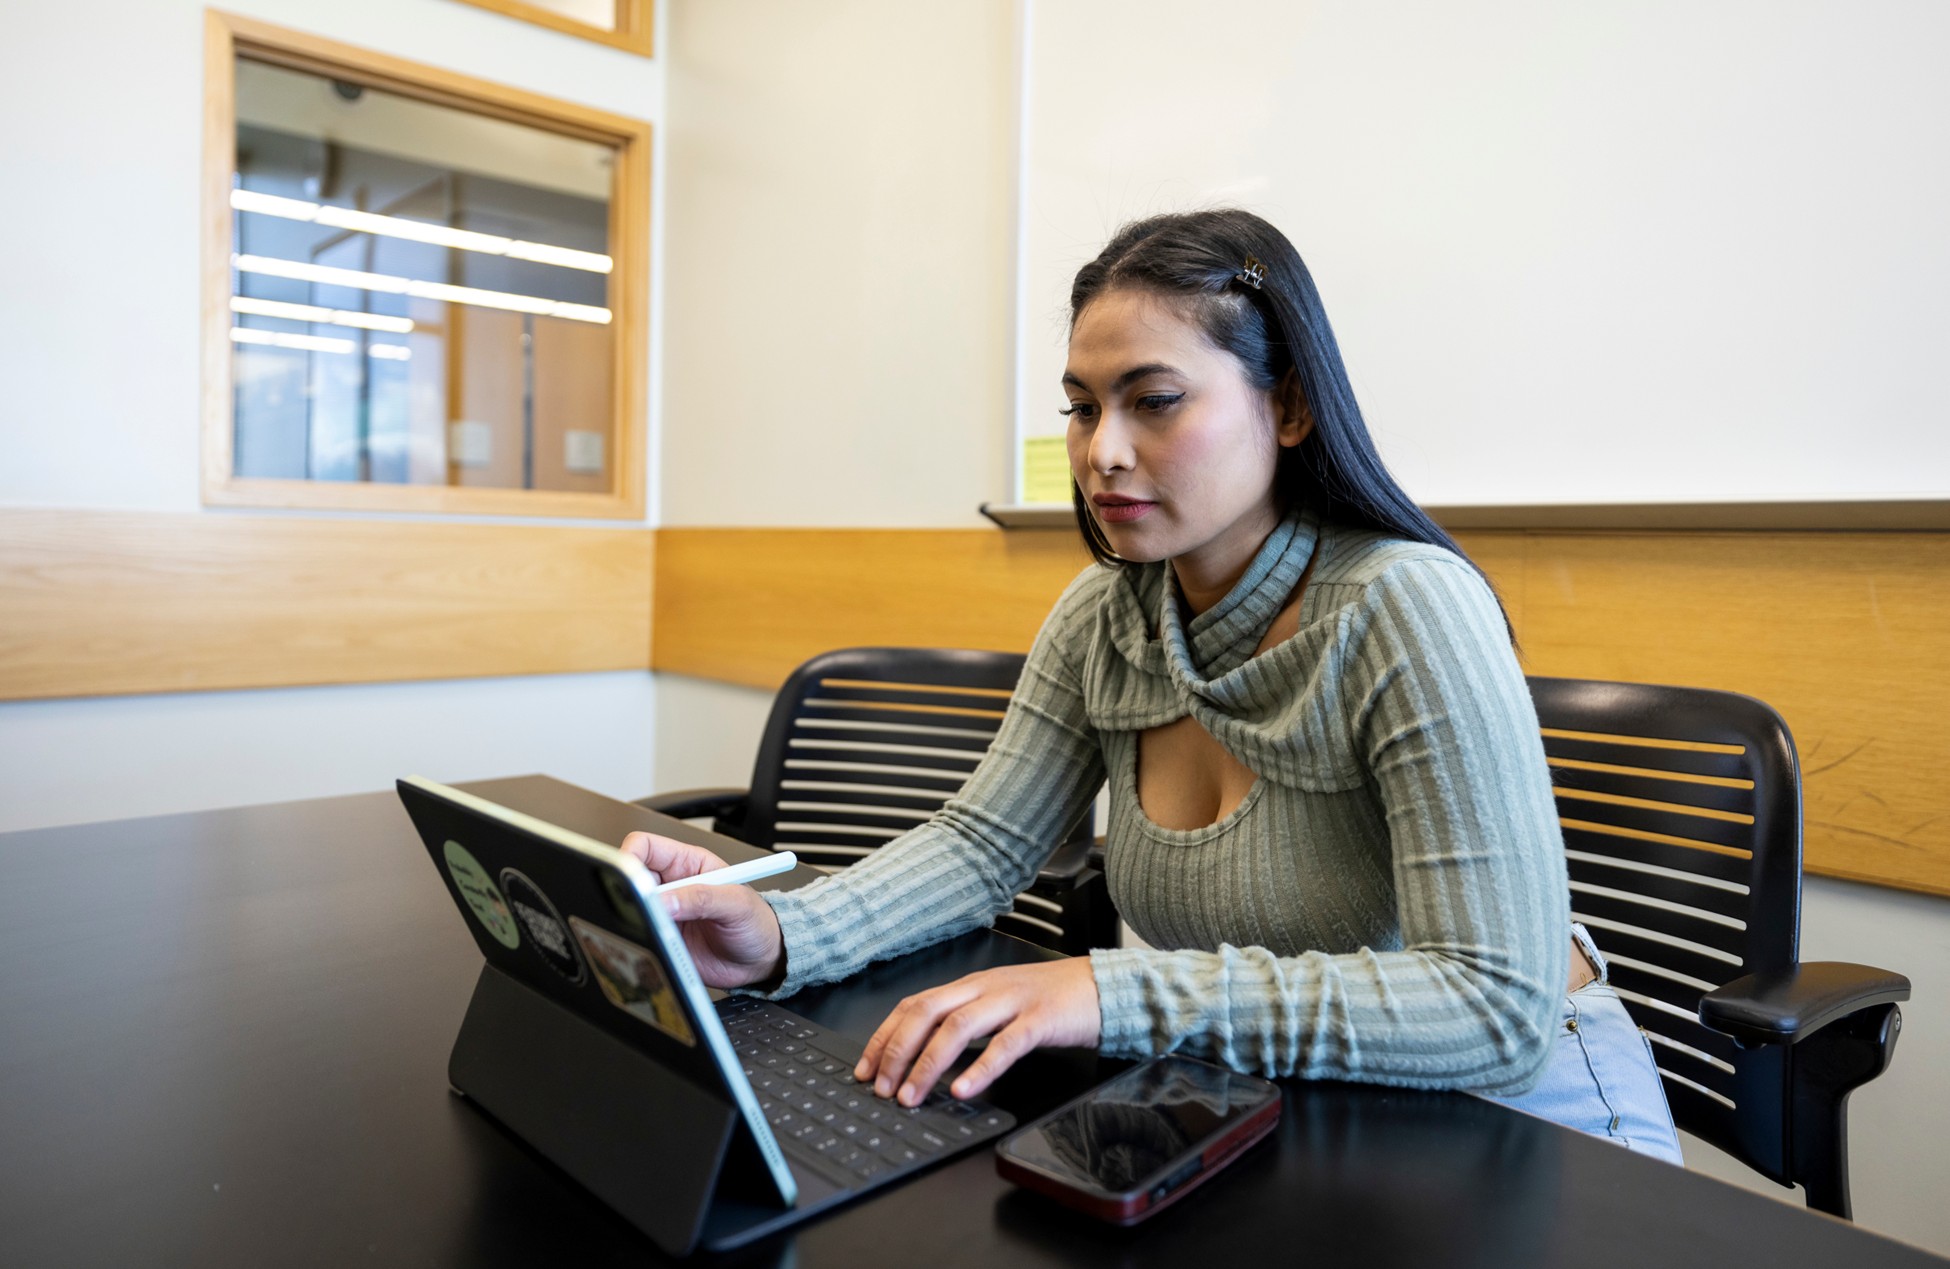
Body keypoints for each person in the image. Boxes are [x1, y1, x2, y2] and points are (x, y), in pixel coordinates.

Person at [626, 209, 1682, 1162]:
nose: (1103, 453)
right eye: (1083, 409)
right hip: (1292, 1107)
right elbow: (982, 845)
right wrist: (783, 936)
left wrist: (1105, 988)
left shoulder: (1406, 607)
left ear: (1292, 408)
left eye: (1155, 402)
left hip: (1532, 1124)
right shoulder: (1104, 614)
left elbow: (1494, 1007)